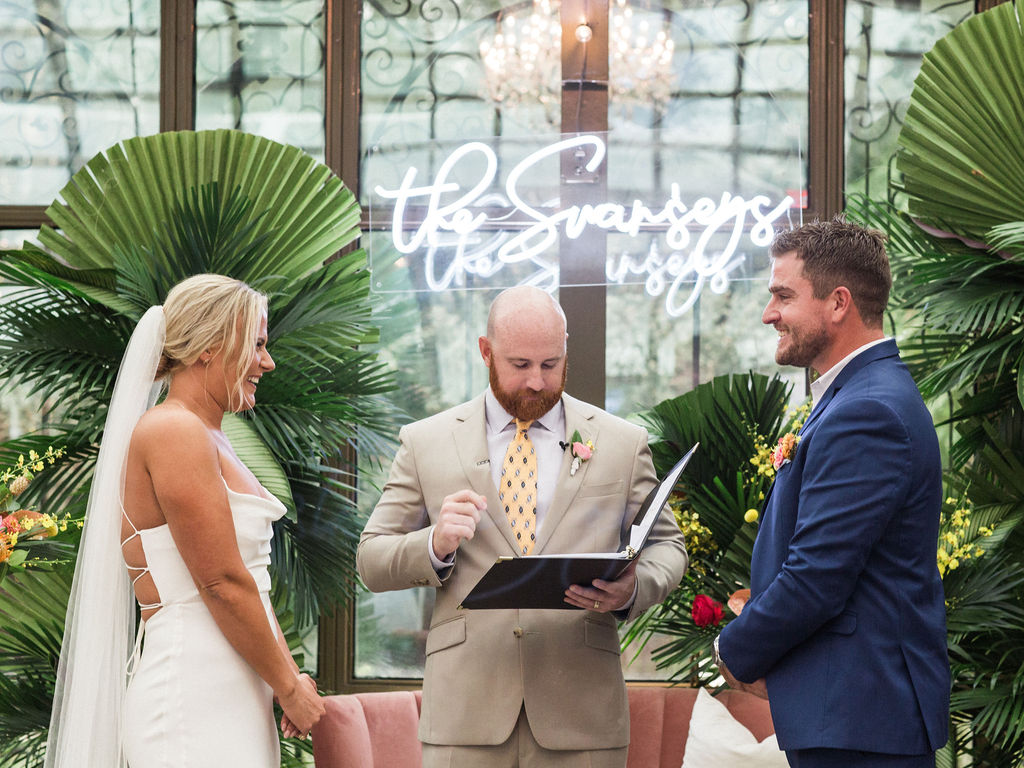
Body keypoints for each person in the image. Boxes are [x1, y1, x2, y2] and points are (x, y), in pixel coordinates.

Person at [357, 285, 688, 768]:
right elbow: (371, 559)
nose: (536, 382)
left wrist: (635, 589)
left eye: (550, 364)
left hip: (583, 718)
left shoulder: (622, 442)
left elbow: (668, 547)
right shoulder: (424, 442)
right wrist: (435, 543)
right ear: (485, 352)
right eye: (519, 365)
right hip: (464, 718)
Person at [46, 274, 324, 768]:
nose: (268, 361)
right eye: (257, 344)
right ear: (210, 347)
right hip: (191, 692)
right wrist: (287, 685)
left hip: (236, 690)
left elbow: (251, 583)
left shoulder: (213, 436)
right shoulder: (173, 429)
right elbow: (219, 580)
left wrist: (288, 680)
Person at [715, 218, 949, 767]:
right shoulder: (859, 395)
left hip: (861, 719)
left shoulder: (867, 410)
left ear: (838, 302)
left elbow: (819, 576)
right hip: (852, 713)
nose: (769, 313)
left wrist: (734, 647)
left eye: (782, 295)